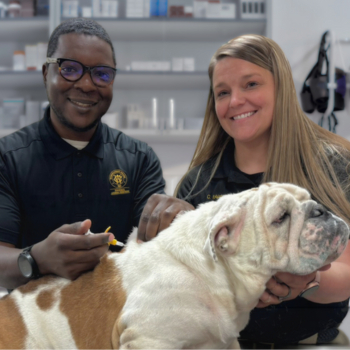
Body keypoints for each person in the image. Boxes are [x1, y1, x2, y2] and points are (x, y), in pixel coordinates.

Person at [138, 34, 350, 348]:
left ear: (281, 87)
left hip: (313, 343)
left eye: (251, 84)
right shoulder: (198, 184)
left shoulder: (332, 167)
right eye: (223, 92)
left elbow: (346, 274)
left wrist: (307, 281)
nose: (235, 101)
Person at [0, 18, 166, 291]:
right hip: (34, 327)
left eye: (101, 74)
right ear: (45, 74)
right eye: (70, 69)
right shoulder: (8, 158)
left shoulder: (140, 159)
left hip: (115, 325)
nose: (87, 85)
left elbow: (154, 251)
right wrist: (38, 259)